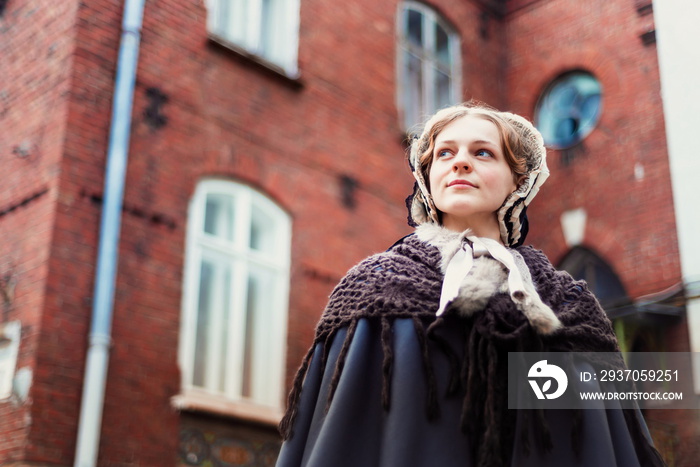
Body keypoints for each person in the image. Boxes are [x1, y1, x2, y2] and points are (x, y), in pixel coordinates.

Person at [275, 102, 665, 467]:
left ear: (519, 180)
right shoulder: (375, 287)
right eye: (445, 153)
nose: (460, 162)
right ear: (426, 176)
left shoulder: (569, 303)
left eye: (483, 153)